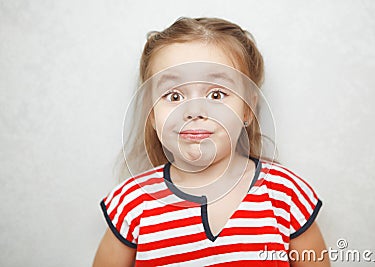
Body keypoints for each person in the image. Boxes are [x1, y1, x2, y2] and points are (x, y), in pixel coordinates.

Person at [93, 17, 330, 267]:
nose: (194, 110)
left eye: (216, 94)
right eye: (174, 95)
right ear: (152, 114)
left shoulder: (286, 195)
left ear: (247, 109)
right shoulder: (132, 203)